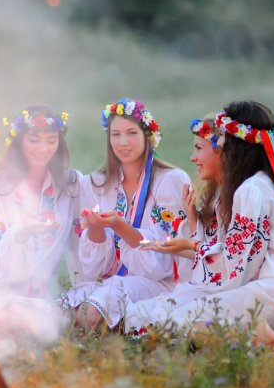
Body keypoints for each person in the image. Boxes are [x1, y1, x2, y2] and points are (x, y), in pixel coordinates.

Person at [124, 101, 274, 344]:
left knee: (174, 322)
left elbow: (237, 268)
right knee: (180, 316)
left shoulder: (251, 190)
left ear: (236, 145)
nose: (218, 143)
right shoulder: (267, 182)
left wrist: (193, 248)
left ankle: (263, 341)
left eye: (222, 138)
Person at [62, 98, 193, 330]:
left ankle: (119, 333)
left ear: (147, 135)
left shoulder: (171, 180)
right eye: (115, 134)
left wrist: (121, 227)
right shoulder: (97, 183)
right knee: (60, 311)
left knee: (90, 313)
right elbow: (94, 270)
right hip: (113, 280)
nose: (123, 142)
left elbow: (167, 258)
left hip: (159, 284)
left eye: (132, 133)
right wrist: (95, 228)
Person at [0, 105, 84, 344]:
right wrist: (19, 235)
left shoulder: (70, 185)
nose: (42, 149)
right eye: (33, 140)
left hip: (33, 289)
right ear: (19, 142)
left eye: (51, 140)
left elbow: (83, 234)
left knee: (40, 321)